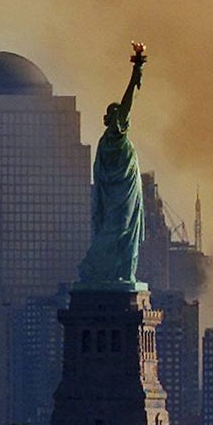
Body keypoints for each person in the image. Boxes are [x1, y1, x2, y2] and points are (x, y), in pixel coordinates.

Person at [77, 43, 146, 285]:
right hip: (111, 196)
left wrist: (136, 71)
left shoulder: (118, 136)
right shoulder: (106, 141)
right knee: (112, 230)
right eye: (114, 114)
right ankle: (95, 268)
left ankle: (125, 273)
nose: (118, 116)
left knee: (127, 231)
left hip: (126, 192)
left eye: (120, 114)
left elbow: (127, 103)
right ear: (108, 119)